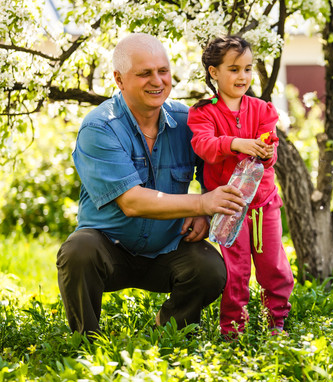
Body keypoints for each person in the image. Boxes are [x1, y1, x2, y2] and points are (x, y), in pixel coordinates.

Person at [56, 33, 246, 336]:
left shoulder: (188, 122)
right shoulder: (99, 127)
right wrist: (200, 203)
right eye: (144, 73)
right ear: (119, 79)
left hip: (167, 249)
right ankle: (84, 340)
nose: (157, 81)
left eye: (163, 71)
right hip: (109, 249)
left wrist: (205, 214)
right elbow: (132, 202)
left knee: (210, 269)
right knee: (78, 251)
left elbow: (216, 177)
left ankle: (171, 331)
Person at [188, 36, 294, 337]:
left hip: (264, 205)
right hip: (229, 206)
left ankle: (277, 321)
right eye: (233, 69)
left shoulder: (262, 110)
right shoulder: (203, 112)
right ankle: (233, 328)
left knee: (274, 266)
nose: (243, 76)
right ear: (213, 72)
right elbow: (204, 146)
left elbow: (268, 156)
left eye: (248, 69)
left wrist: (267, 151)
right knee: (236, 272)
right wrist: (237, 143)